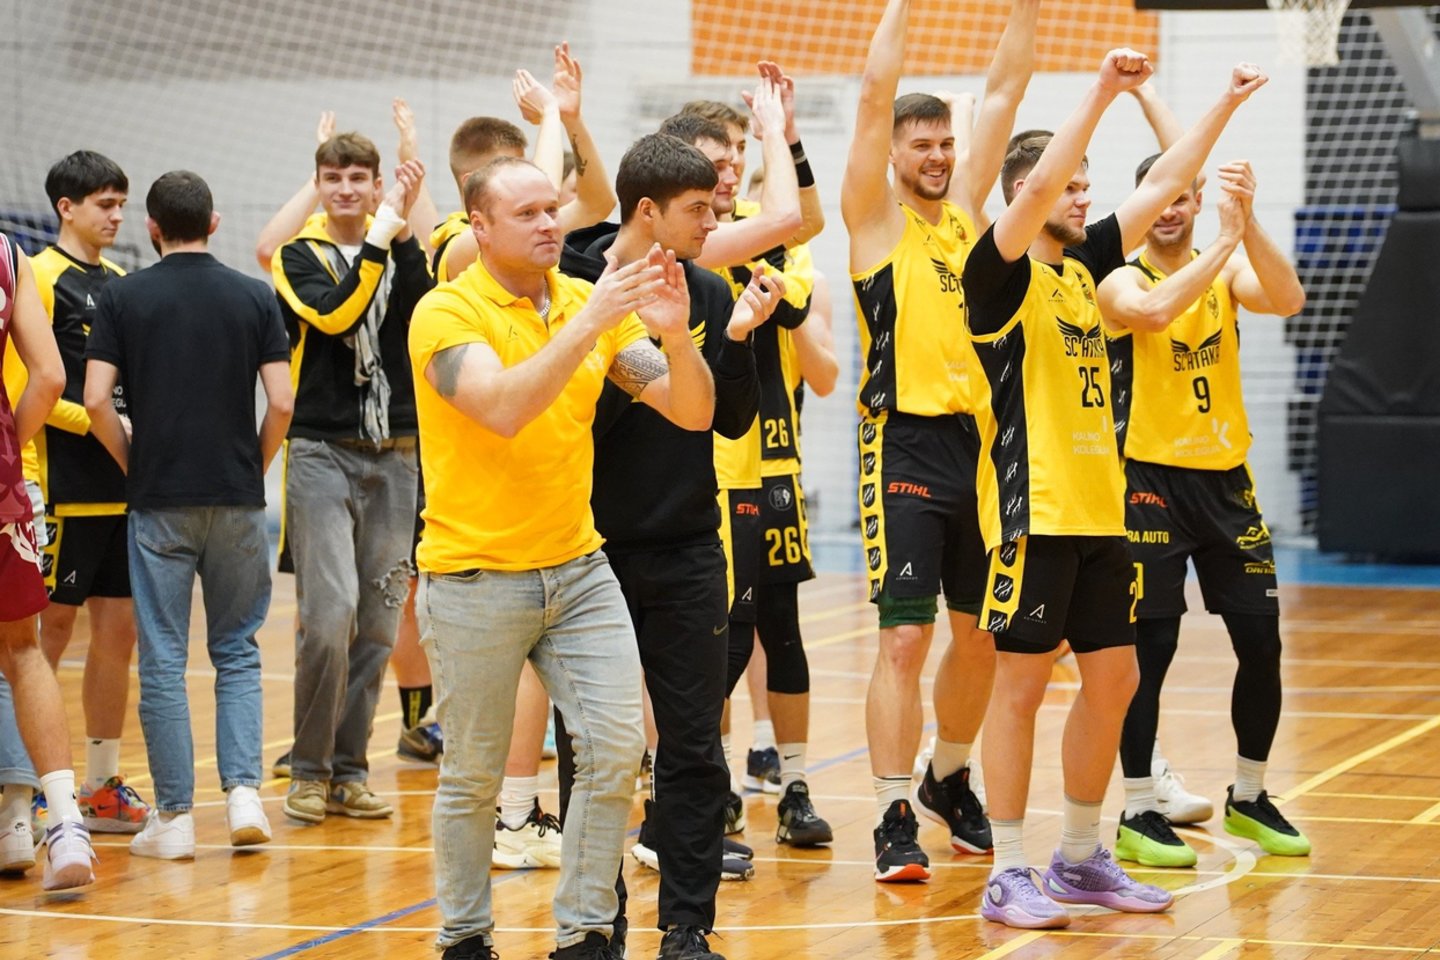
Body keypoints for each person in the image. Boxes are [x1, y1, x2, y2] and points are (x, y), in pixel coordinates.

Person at [961, 53, 1268, 928]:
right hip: (1035, 513)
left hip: (1102, 511)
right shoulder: (1000, 275)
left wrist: (1224, 102)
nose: (1084, 197)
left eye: (1087, 187)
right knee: (1020, 687)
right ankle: (1008, 869)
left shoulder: (1081, 267)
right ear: (1026, 196)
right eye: (1071, 187)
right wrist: (1099, 92)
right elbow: (1038, 185)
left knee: (1116, 681)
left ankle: (1079, 857)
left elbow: (1167, 180)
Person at [410, 154, 714, 960]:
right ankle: (465, 937)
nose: (550, 224)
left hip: (578, 570)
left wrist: (676, 337)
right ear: (480, 228)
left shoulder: (588, 304)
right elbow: (502, 407)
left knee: (615, 750)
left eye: (553, 209)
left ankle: (583, 934)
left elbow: (690, 411)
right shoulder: (445, 313)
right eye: (528, 214)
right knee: (474, 776)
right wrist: (588, 323)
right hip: (474, 575)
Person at [559, 132, 782, 960]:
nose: (714, 222)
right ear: (647, 211)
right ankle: (595, 924)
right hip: (589, 554)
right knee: (595, 751)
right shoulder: (573, 286)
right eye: (699, 209)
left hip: (689, 548)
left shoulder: (708, 289)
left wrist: (740, 337)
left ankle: (687, 927)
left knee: (693, 747)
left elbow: (730, 418)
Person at [840, 0, 1038, 881]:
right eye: (920, 143)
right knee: (904, 639)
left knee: (982, 635)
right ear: (893, 152)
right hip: (906, 445)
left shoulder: (965, 214)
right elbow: (872, 89)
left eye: (945, 143)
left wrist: (1027, 8)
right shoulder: (875, 221)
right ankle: (892, 811)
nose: (938, 154)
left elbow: (1005, 89)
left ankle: (947, 778)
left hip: (984, 453)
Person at [1101, 152, 1308, 866]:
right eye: (1158, 196)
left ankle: (1249, 796)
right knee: (1150, 650)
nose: (1169, 210)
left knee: (1262, 642)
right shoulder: (1119, 276)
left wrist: (1246, 223)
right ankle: (1137, 809)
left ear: (1195, 202)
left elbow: (1288, 298)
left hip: (1225, 483)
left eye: (1182, 197)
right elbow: (1153, 312)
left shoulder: (1226, 268)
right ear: (1141, 200)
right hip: (1148, 483)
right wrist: (1223, 240)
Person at [83, 170, 293, 860]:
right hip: (237, 498)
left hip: (159, 501)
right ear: (215, 222)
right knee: (237, 651)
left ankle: (173, 820)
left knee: (165, 659)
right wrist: (253, 466)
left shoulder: (122, 296)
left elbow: (95, 400)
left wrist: (132, 462)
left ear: (151, 227)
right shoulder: (255, 296)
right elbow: (282, 402)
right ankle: (243, 798)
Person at [682, 74, 839, 844]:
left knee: (774, 628)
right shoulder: (685, 240)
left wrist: (784, 135)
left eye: (738, 156)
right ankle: (701, 784)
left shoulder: (773, 241)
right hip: (696, 461)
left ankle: (791, 783)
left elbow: (801, 280)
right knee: (707, 638)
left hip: (766, 458)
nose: (729, 170)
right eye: (717, 159)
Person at [271, 133, 431, 825]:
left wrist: (405, 227)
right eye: (333, 177)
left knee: (379, 621)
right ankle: (308, 770)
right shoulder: (297, 257)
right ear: (319, 184)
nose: (345, 189)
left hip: (398, 453)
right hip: (321, 452)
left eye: (358, 178)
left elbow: (426, 312)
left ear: (375, 185)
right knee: (330, 616)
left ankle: (350, 769)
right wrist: (381, 238)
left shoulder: (398, 245)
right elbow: (337, 313)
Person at [29, 150, 151, 834]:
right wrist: (100, 423)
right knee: (43, 634)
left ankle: (101, 784)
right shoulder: (38, 278)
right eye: (104, 204)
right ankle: (28, 782)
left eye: (121, 204)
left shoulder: (125, 284)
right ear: (66, 207)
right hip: (61, 489)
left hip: (122, 489)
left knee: (119, 633)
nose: (116, 216)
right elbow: (30, 388)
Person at [0, 228, 95, 891]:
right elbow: (51, 376)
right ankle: (64, 826)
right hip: (5, 482)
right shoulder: (9, 254)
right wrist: (10, 443)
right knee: (24, 651)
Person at [432, 42, 617, 283]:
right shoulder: (457, 244)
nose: (523, 175)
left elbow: (597, 204)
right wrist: (550, 112)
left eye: (522, 165)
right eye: (508, 168)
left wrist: (571, 118)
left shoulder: (530, 226)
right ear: (470, 184)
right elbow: (542, 189)